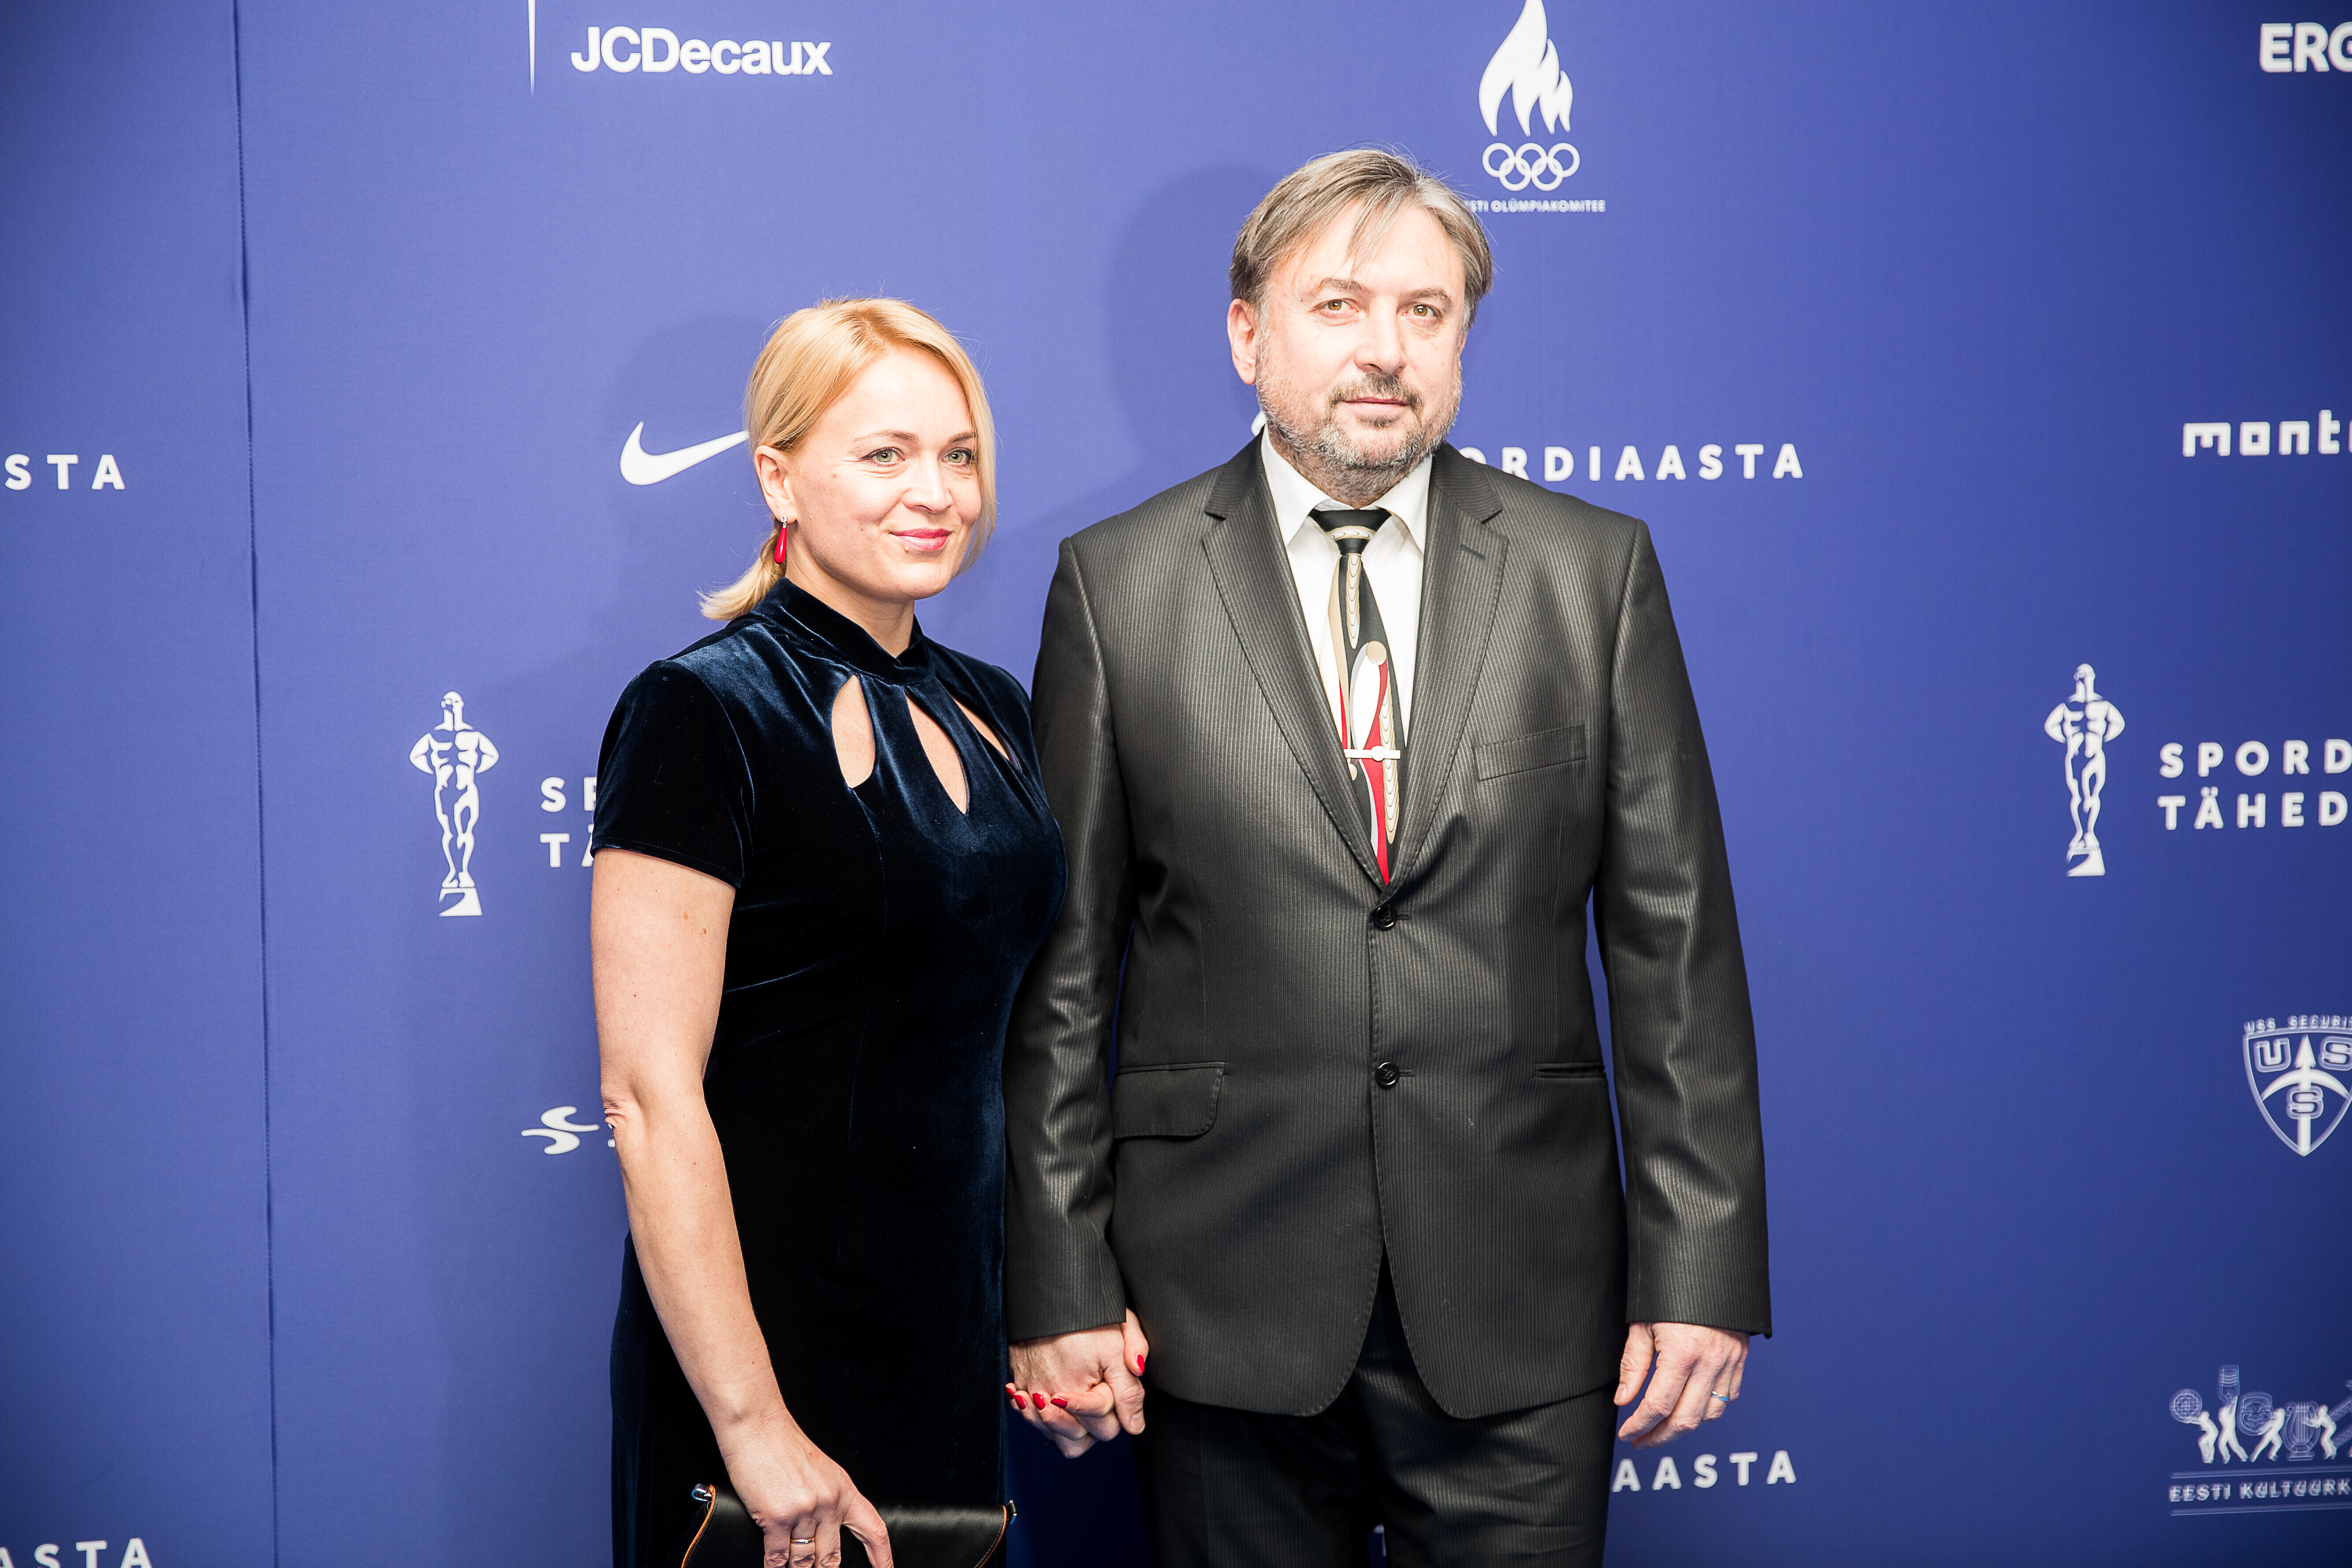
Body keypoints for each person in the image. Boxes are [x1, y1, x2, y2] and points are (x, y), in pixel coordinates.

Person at [1001, 150, 1770, 1566]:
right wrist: (1057, 1278)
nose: (1384, 349)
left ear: (1462, 342)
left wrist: (1702, 1269)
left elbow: (1675, 949)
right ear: (1247, 334)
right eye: (1339, 305)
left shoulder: (1588, 572)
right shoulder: (1116, 587)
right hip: (1212, 1306)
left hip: (1523, 1301)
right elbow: (1060, 979)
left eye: (1426, 312)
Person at [593, 299, 1065, 1568]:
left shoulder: (996, 708)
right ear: (778, 475)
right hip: (760, 1356)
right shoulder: (701, 710)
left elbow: (1015, 1045)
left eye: (958, 454)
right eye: (884, 454)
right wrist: (753, 1425)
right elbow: (647, 1097)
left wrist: (1054, 1304)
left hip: (946, 1344)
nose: (935, 493)